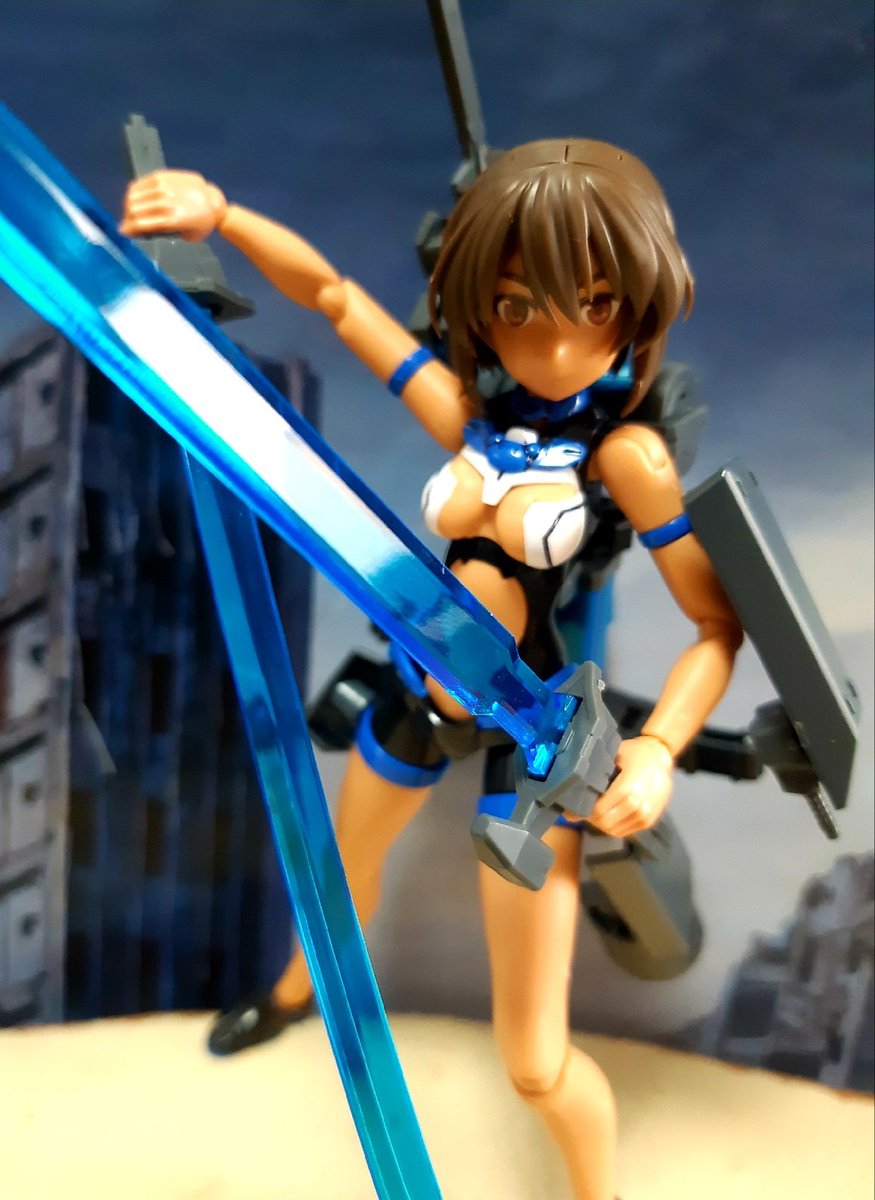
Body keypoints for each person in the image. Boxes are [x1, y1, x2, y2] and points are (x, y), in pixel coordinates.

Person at [122, 138, 742, 1200]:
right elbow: (332, 297)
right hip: (419, 695)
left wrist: (653, 752)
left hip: (536, 745)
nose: (553, 341)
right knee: (336, 879)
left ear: (634, 306)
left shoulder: (624, 459)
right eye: (516, 306)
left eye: (592, 304)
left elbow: (715, 628)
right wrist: (219, 215)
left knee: (534, 1063)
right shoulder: (468, 418)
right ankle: (290, 994)